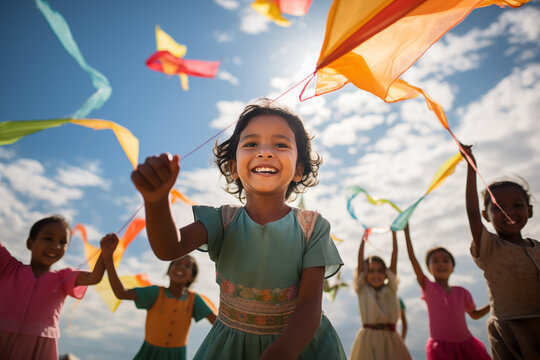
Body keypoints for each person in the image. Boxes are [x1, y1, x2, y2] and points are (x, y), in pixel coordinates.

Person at [131, 98, 346, 359]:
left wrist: (282, 352)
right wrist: (156, 202)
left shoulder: (313, 228)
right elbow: (169, 248)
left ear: (299, 169)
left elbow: (310, 305)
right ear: (233, 167)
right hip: (230, 346)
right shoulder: (223, 221)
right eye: (251, 144)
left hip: (301, 346)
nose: (265, 152)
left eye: (280, 144)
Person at [462, 145, 540, 359]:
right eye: (498, 206)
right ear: (485, 215)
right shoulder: (489, 247)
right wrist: (471, 167)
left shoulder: (538, 247)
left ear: (530, 211)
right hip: (511, 332)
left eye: (518, 204)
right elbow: (471, 213)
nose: (510, 211)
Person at [0, 215, 106, 359]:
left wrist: (106, 254)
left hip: (40, 346)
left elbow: (94, 277)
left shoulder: (63, 277)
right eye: (48, 238)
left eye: (63, 242)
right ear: (30, 243)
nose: (56, 246)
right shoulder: (8, 267)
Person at [100, 234, 216, 360]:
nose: (181, 267)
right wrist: (108, 258)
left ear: (191, 276)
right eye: (177, 263)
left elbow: (216, 323)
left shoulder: (194, 300)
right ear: (168, 270)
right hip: (149, 354)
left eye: (187, 266)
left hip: (176, 356)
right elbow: (121, 293)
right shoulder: (155, 293)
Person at [404, 224, 491, 359]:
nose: (441, 264)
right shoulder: (429, 287)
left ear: (452, 267)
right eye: (435, 261)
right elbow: (412, 258)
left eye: (446, 260)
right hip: (441, 349)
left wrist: (493, 302)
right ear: (428, 268)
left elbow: (474, 314)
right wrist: (406, 232)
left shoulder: (462, 292)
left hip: (466, 345)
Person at [350, 230, 411, 360]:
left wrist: (394, 234)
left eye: (380, 271)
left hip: (391, 339)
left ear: (386, 273)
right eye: (371, 271)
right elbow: (360, 263)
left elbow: (394, 256)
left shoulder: (391, 289)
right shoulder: (363, 289)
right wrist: (363, 239)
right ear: (365, 274)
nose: (376, 275)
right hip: (368, 339)